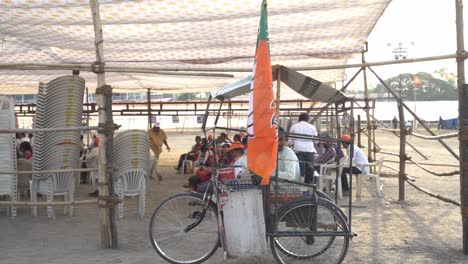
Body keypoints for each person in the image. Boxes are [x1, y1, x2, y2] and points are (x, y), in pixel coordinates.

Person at [288, 113, 318, 183]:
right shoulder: (312, 127)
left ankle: (299, 183)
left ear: (299, 119)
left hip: (298, 149)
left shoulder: (294, 126)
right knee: (309, 168)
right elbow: (316, 140)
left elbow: (290, 141)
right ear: (307, 119)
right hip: (309, 150)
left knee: (299, 167)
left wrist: (292, 144)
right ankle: (308, 184)